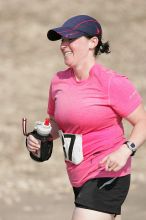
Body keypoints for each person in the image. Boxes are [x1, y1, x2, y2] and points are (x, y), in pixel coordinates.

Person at [26, 15, 146, 220]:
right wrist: (39, 137)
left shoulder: (111, 82)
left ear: (93, 42)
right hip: (78, 176)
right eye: (62, 40)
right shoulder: (58, 81)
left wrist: (125, 151)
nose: (63, 45)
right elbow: (56, 123)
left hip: (107, 175)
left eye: (70, 39)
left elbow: (142, 122)